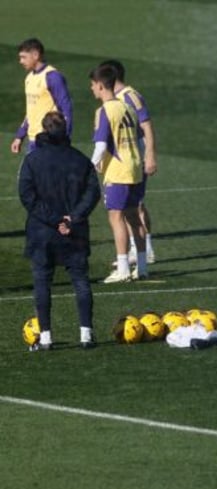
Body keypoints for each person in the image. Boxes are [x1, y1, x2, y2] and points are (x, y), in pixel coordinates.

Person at [18, 112, 100, 350]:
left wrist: (54, 220)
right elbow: (92, 193)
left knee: (42, 282)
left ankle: (46, 338)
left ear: (43, 130)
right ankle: (86, 334)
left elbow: (27, 196)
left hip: (42, 232)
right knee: (80, 280)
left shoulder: (32, 161)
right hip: (74, 231)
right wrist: (72, 218)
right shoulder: (81, 160)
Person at [89, 63, 148, 283]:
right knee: (134, 216)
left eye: (93, 85)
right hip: (134, 168)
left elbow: (101, 146)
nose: (92, 89)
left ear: (101, 85)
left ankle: (123, 268)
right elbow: (140, 142)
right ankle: (142, 267)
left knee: (116, 217)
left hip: (118, 171)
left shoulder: (106, 110)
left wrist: (88, 168)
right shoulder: (128, 108)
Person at [100, 59, 159, 265]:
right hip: (126, 159)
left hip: (136, 158)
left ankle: (145, 250)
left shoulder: (130, 96)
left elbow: (147, 126)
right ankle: (140, 250)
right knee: (130, 207)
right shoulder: (115, 99)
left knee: (136, 206)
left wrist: (150, 155)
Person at [10, 38, 73, 155]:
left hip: (50, 140)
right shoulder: (29, 78)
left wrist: (66, 137)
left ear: (35, 55)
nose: (20, 61)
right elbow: (31, 111)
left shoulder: (52, 77)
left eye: (24, 57)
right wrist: (20, 136)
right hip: (33, 140)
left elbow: (66, 109)